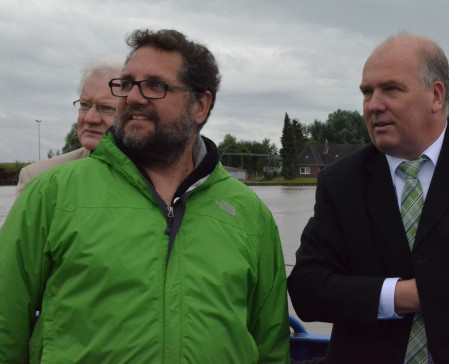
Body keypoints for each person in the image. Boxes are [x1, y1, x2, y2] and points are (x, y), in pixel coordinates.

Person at [0, 29, 289, 363]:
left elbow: (271, 345)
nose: (133, 97)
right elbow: (6, 323)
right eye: (126, 84)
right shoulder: (52, 194)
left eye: (155, 85)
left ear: (200, 106)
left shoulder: (249, 215)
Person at [287, 33, 449, 363]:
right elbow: (308, 289)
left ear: (436, 96)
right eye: (367, 92)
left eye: (391, 89)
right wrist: (403, 295)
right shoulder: (341, 181)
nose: (374, 105)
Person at [15, 55, 123, 197]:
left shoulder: (156, 177)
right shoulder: (38, 177)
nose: (90, 118)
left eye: (107, 108)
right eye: (84, 105)